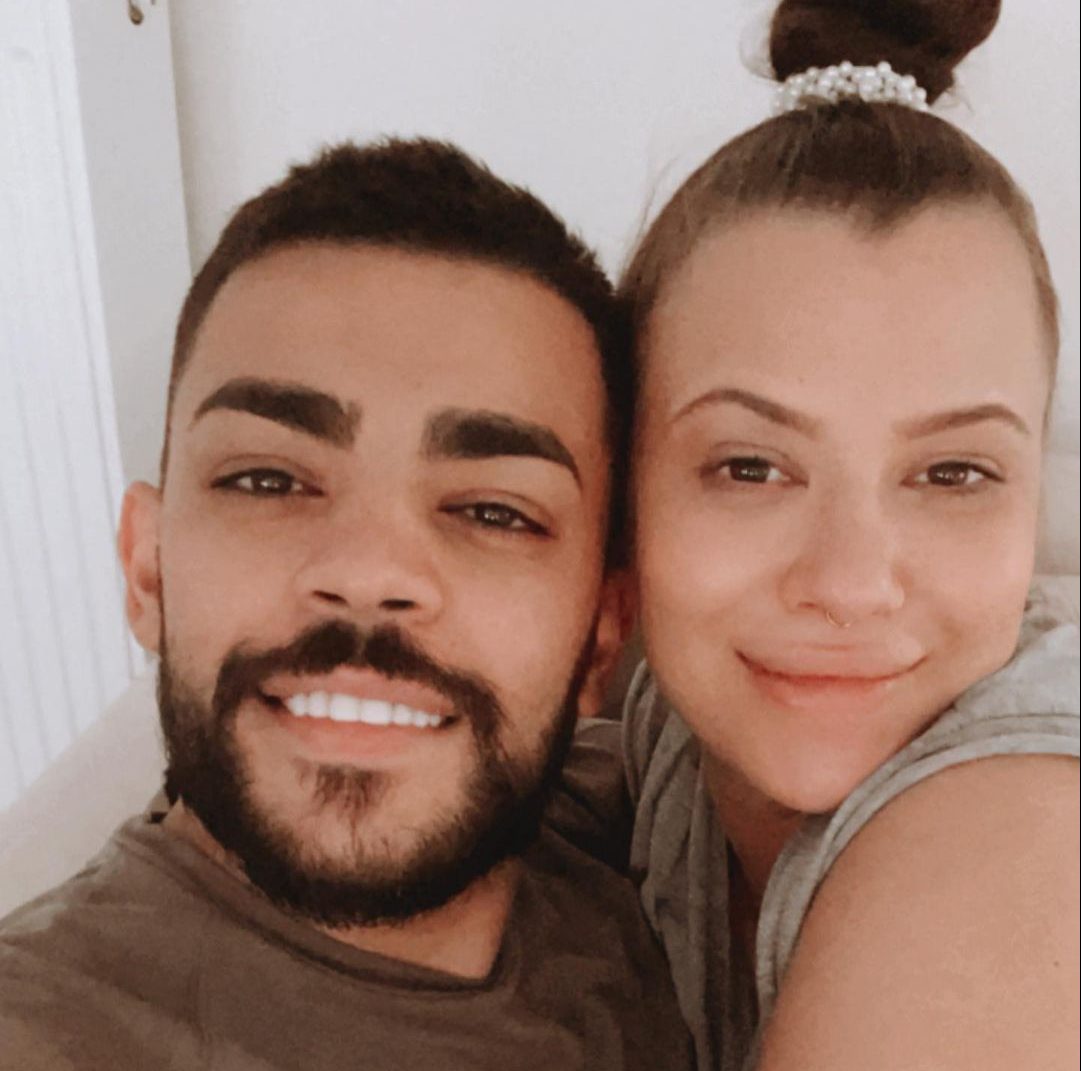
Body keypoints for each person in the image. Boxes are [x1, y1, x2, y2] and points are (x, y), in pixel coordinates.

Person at [0, 139, 692, 1070]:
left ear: (603, 632)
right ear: (148, 570)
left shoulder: (639, 833)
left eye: (493, 511)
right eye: (267, 479)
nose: (369, 572)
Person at [616, 1, 1080, 1069]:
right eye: (750, 467)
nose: (850, 583)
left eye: (953, 472)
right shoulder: (668, 718)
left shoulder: (1020, 826)